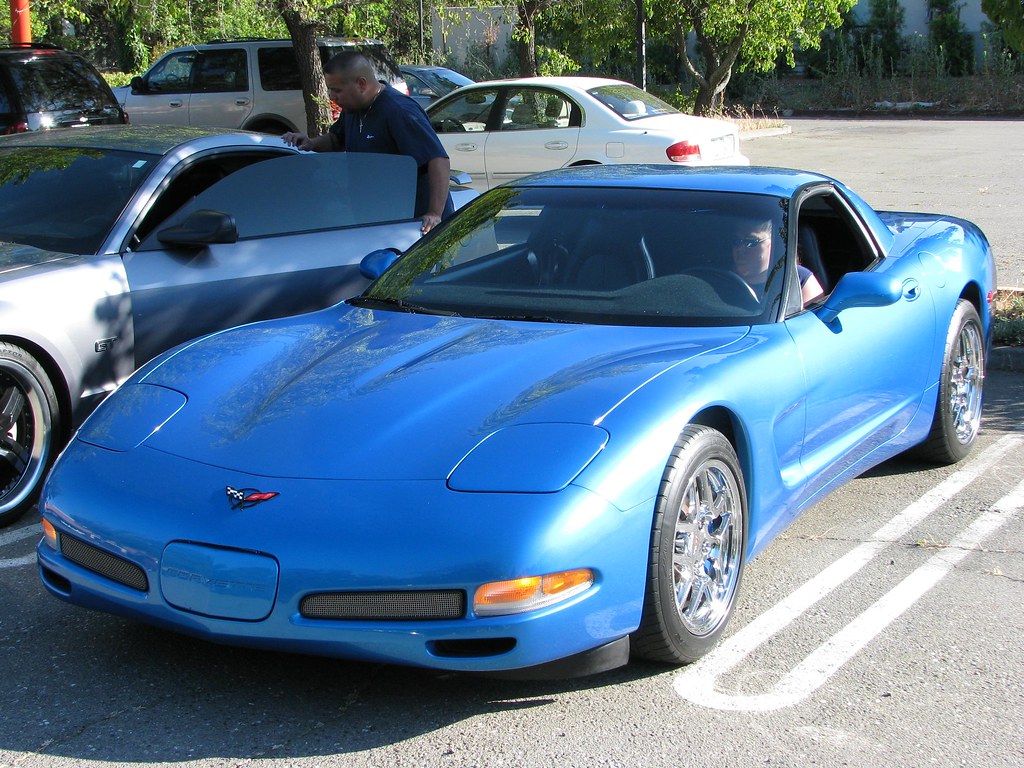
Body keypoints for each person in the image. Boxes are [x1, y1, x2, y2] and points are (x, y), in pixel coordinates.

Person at [281, 51, 453, 234]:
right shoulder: (353, 110)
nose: (332, 96)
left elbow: (438, 159)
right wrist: (310, 143)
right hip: (383, 219)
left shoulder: (399, 111)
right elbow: (336, 139)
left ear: (361, 84)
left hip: (419, 227)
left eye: (337, 90)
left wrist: (434, 213)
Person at [732, 218, 824, 306]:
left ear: (775, 242)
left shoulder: (798, 279)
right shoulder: (721, 280)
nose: (739, 249)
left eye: (751, 242)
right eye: (736, 242)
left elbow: (813, 320)